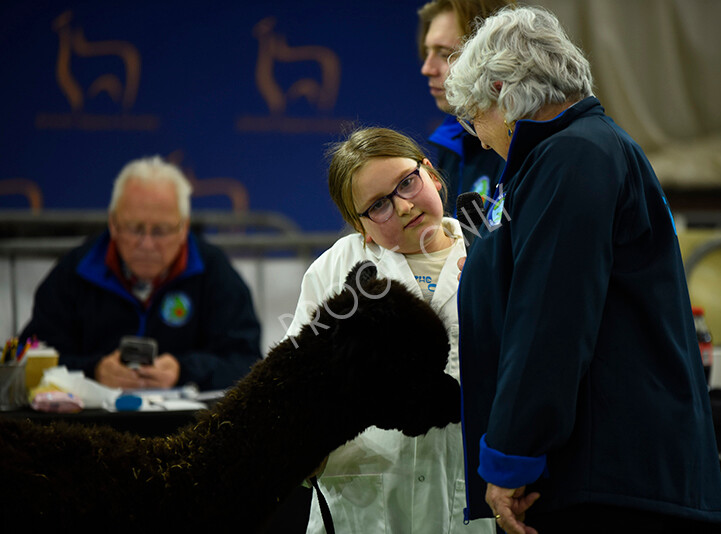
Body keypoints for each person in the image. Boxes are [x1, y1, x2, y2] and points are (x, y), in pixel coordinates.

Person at [445, 5, 721, 533]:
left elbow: (549, 321)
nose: (479, 138)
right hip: (611, 474)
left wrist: (511, 456)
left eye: (474, 116)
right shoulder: (580, 151)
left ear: (505, 93)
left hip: (609, 482)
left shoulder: (571, 157)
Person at [282, 127, 494, 534]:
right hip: (361, 498)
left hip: (467, 491)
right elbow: (291, 382)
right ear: (358, 225)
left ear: (431, 173)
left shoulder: (490, 249)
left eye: (407, 183)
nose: (401, 207)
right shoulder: (337, 269)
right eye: (377, 205)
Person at [19, 156, 262, 391]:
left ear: (183, 227)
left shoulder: (214, 271)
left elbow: (247, 363)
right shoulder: (76, 271)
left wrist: (183, 371)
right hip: (91, 428)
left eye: (160, 230)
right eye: (134, 229)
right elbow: (30, 360)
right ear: (113, 224)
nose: (146, 244)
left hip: (188, 427)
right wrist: (94, 370)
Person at [417, 0, 512, 215]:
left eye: (444, 54)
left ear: (492, 56)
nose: (427, 68)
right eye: (427, 52)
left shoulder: (519, 145)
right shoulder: (452, 140)